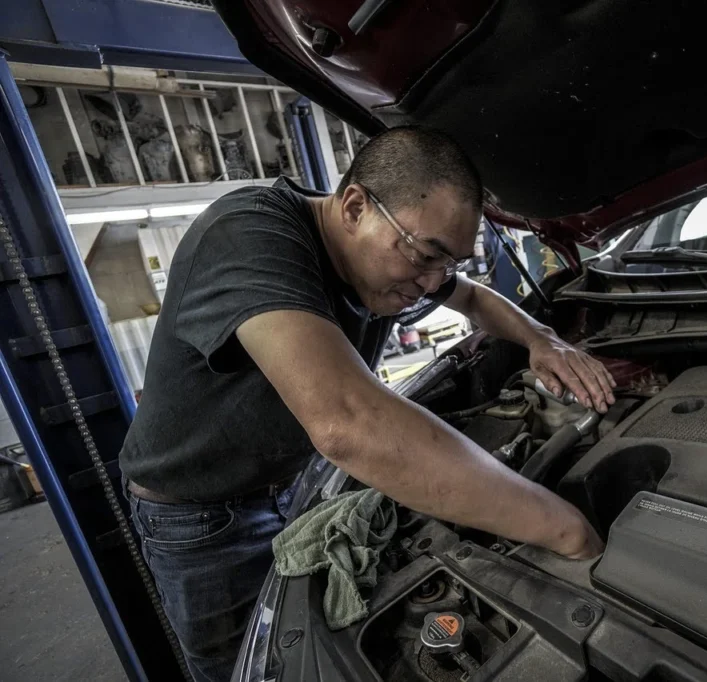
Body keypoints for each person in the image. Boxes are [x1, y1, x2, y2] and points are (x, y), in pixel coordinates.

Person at [119, 126, 613, 681]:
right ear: (355, 206)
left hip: (295, 482)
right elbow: (347, 423)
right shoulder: (249, 237)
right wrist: (561, 528)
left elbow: (471, 296)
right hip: (203, 517)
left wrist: (540, 338)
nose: (431, 284)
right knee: (248, 670)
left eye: (447, 263)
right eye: (426, 256)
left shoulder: (383, 246)